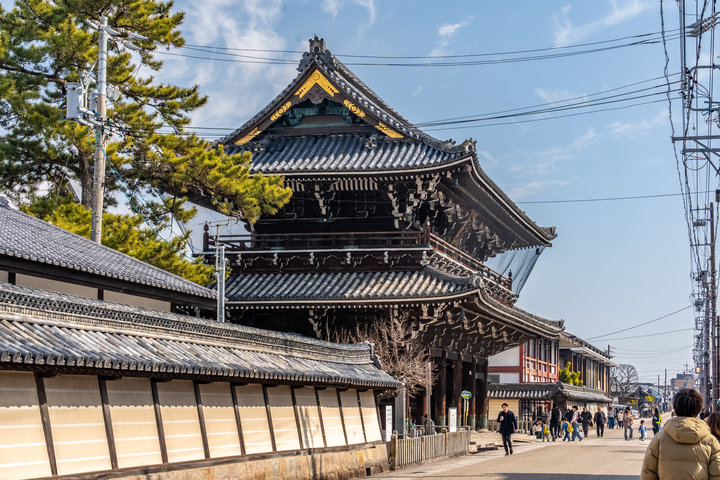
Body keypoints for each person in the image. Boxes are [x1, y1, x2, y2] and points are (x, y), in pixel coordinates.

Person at [641, 388, 720, 480]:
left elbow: (648, 473)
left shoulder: (659, 439)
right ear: (698, 410)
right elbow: (717, 475)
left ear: (675, 409)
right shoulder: (710, 441)